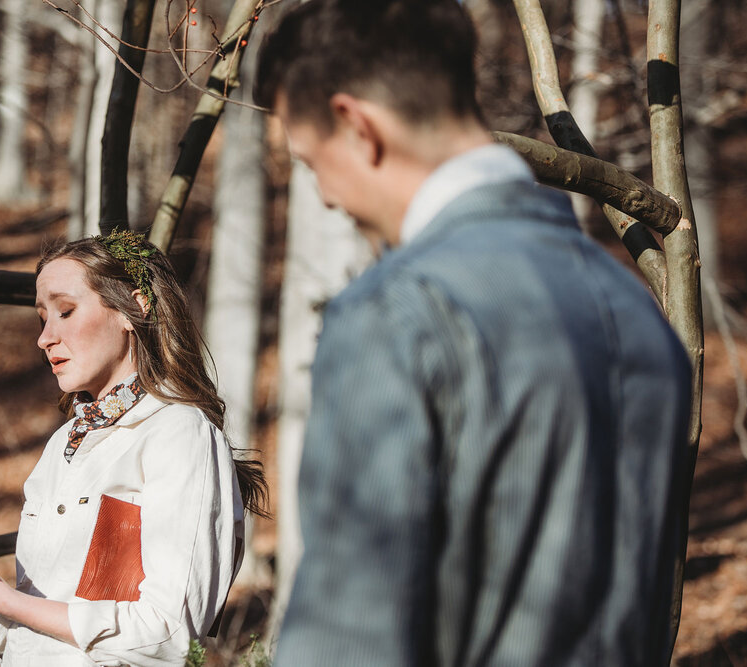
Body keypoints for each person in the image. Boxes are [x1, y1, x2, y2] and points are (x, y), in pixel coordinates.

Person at [254, 1, 692, 665]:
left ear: (356, 126)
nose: (326, 198)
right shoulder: (638, 316)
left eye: (311, 165)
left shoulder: (395, 316)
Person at [0, 231, 268, 665]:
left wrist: (1, 597)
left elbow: (167, 634)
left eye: (66, 311)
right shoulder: (64, 445)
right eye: (43, 318)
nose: (45, 338)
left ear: (133, 309)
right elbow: (42, 638)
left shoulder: (178, 433)